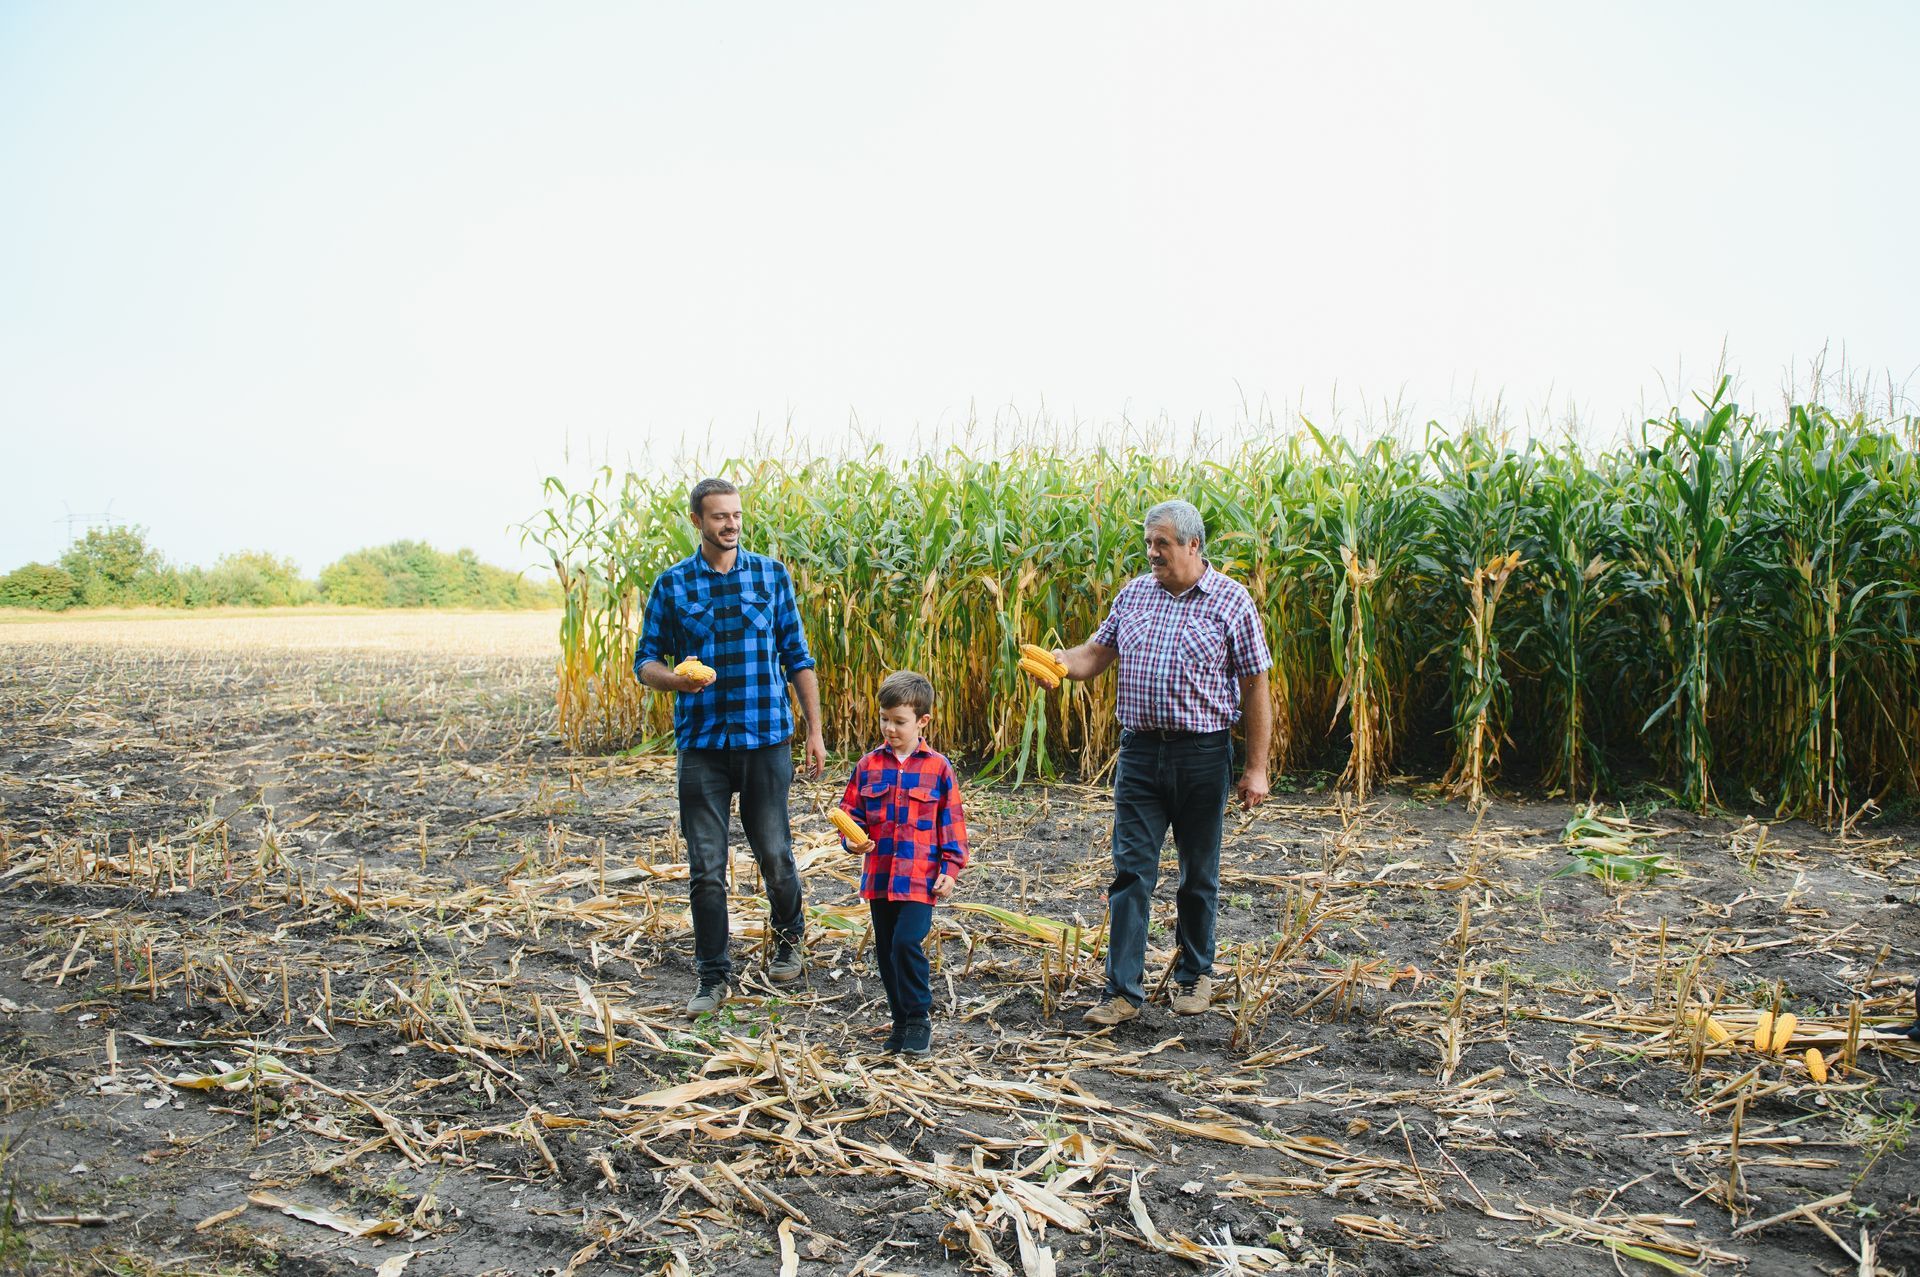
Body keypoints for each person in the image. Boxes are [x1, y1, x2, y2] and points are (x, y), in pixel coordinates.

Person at [1044, 499, 1272, 1026]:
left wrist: (1255, 767)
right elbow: (1095, 655)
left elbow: (1256, 686)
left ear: (1194, 545)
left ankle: (1195, 976)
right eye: (1149, 543)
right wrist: (1058, 664)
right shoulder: (1135, 595)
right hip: (1141, 753)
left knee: (1198, 874)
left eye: (1162, 544)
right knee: (1131, 873)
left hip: (1203, 754)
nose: (1152, 552)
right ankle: (1122, 991)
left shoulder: (1232, 603)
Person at [634, 477, 828, 1015]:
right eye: (719, 517)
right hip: (701, 745)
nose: (731, 525)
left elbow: (798, 656)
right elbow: (644, 661)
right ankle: (713, 976)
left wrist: (813, 729)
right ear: (697, 521)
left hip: (766, 737)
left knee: (775, 853)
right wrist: (676, 681)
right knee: (705, 867)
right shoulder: (672, 586)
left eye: (737, 515)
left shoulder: (770, 575)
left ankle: (790, 944)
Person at [833, 670, 970, 1056]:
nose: (889, 729)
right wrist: (851, 841)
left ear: (922, 721)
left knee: (907, 943)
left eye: (899, 722)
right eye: (884, 719)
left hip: (919, 877)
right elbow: (851, 814)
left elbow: (951, 821)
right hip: (879, 875)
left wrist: (951, 867)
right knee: (886, 950)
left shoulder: (938, 768)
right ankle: (900, 1022)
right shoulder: (868, 766)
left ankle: (919, 1018)